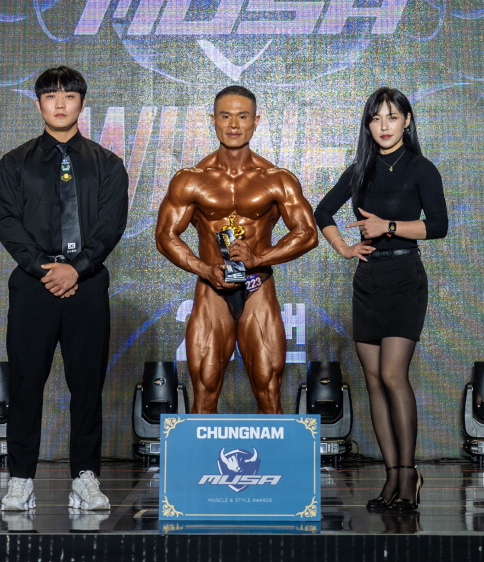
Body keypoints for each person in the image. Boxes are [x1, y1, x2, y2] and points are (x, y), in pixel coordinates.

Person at [0, 66, 129, 512]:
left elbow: (110, 225)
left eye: (69, 95)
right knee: (26, 383)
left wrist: (78, 269)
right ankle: (21, 478)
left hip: (86, 285)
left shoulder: (108, 164)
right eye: (51, 96)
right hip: (34, 285)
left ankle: (85, 478)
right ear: (39, 104)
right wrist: (44, 268)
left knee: (87, 386)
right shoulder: (15, 162)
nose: (60, 103)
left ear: (82, 104)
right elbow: (7, 222)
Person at [314, 87, 448, 512]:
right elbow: (322, 212)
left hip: (405, 279)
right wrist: (344, 247)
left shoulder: (421, 168)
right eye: (376, 118)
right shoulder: (361, 169)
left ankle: (409, 475)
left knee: (393, 375)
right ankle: (391, 477)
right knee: (373, 380)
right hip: (368, 280)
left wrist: (388, 226)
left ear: (407, 120)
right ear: (368, 125)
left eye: (392, 116)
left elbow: (439, 226)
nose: (384, 126)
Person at [155, 85, 318, 414]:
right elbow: (165, 235)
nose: (233, 124)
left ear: (256, 121)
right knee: (204, 389)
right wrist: (205, 269)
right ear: (213, 120)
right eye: (225, 116)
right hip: (211, 289)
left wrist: (259, 258)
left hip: (257, 286)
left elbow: (307, 233)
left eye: (242, 117)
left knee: (269, 389)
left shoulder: (277, 179)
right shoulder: (190, 179)